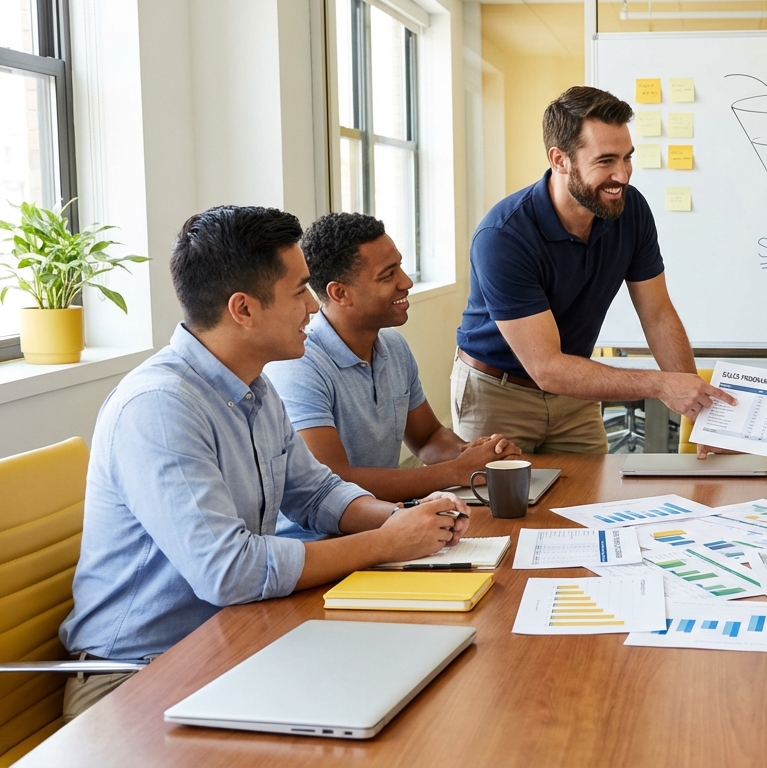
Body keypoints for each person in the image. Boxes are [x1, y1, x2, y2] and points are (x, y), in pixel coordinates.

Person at [58, 206, 468, 720]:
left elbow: (315, 492)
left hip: (229, 636)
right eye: (300, 291)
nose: (313, 310)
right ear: (243, 309)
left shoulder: (253, 385)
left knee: (420, 687)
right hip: (135, 675)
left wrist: (404, 518)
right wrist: (386, 543)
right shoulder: (160, 407)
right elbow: (228, 572)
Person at [455, 85, 733, 455]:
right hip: (499, 394)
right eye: (606, 161)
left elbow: (658, 314)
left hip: (575, 393)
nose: (622, 174)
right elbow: (546, 368)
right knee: (498, 511)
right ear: (560, 160)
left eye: (627, 157)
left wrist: (701, 411)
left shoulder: (629, 210)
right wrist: (661, 384)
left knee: (589, 504)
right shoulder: (504, 236)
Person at [264, 212, 520, 540]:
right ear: (340, 293)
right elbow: (332, 480)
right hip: (321, 542)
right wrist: (456, 471)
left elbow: (427, 438)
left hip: (389, 524)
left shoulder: (393, 345)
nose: (406, 282)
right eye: (388, 275)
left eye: (400, 266)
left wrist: (473, 454)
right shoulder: (298, 365)